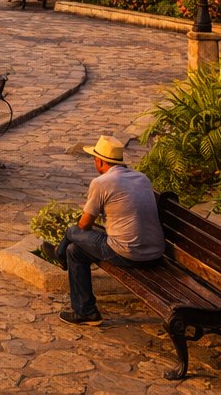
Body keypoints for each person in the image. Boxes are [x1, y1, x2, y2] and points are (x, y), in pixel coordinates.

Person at [55, 135, 164, 326]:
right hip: (155, 252)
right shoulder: (142, 178)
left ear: (99, 161)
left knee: (72, 231)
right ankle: (86, 312)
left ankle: (58, 253)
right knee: (75, 251)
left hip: (127, 252)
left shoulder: (102, 182)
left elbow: (84, 225)